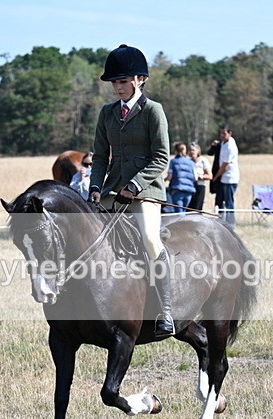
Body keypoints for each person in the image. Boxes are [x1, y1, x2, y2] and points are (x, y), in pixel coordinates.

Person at [88, 44, 174, 337]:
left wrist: (135, 185)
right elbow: (100, 156)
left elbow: (161, 157)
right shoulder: (107, 113)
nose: (117, 88)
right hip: (112, 191)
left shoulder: (153, 111)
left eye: (122, 81)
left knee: (150, 239)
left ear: (140, 79)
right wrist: (96, 188)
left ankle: (166, 311)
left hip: (146, 191)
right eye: (114, 82)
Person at [211, 126, 240, 228]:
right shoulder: (223, 143)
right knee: (220, 201)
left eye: (224, 133)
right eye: (221, 133)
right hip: (223, 177)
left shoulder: (230, 146)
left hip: (229, 178)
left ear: (230, 133)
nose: (222, 136)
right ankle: (222, 221)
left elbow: (225, 166)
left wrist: (215, 177)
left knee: (229, 201)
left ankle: (231, 223)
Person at [165, 142, 196, 213]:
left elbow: (170, 177)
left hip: (177, 190)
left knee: (179, 214)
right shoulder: (191, 163)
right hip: (189, 191)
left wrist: (164, 179)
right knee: (183, 212)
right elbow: (195, 178)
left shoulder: (173, 162)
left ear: (176, 151)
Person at [187, 142, 211, 211]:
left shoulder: (203, 161)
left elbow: (210, 176)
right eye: (190, 150)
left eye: (193, 150)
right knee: (189, 208)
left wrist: (200, 176)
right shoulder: (188, 161)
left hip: (200, 186)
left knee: (197, 207)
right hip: (190, 187)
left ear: (198, 151)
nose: (191, 152)